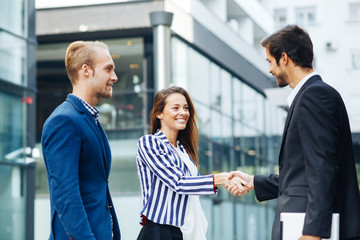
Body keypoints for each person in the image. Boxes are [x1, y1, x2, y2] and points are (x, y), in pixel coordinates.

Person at [228, 25, 360, 240]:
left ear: (284, 58)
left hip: (307, 229)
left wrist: (311, 233)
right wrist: (253, 181)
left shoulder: (314, 96)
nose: (270, 70)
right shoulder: (311, 96)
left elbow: (322, 169)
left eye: (270, 61)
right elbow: (302, 177)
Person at [136, 86, 245, 240]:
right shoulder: (150, 143)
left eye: (186, 108)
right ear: (159, 113)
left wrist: (229, 182)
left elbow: (193, 187)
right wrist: (220, 178)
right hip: (160, 231)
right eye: (175, 108)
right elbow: (178, 183)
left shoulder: (183, 151)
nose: (183, 112)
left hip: (185, 230)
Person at [41, 41, 121, 240]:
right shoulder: (64, 120)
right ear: (86, 70)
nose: (114, 77)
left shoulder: (89, 120)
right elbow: (65, 196)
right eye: (108, 69)